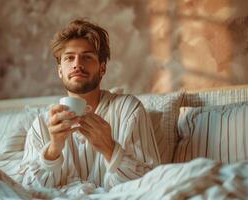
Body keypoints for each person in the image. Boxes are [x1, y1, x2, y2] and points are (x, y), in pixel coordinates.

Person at [19, 19, 160, 190]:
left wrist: (111, 149)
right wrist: (53, 151)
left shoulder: (128, 110)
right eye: (69, 58)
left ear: (102, 69)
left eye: (87, 57)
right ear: (60, 71)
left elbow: (151, 183)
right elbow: (26, 190)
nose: (77, 64)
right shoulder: (41, 124)